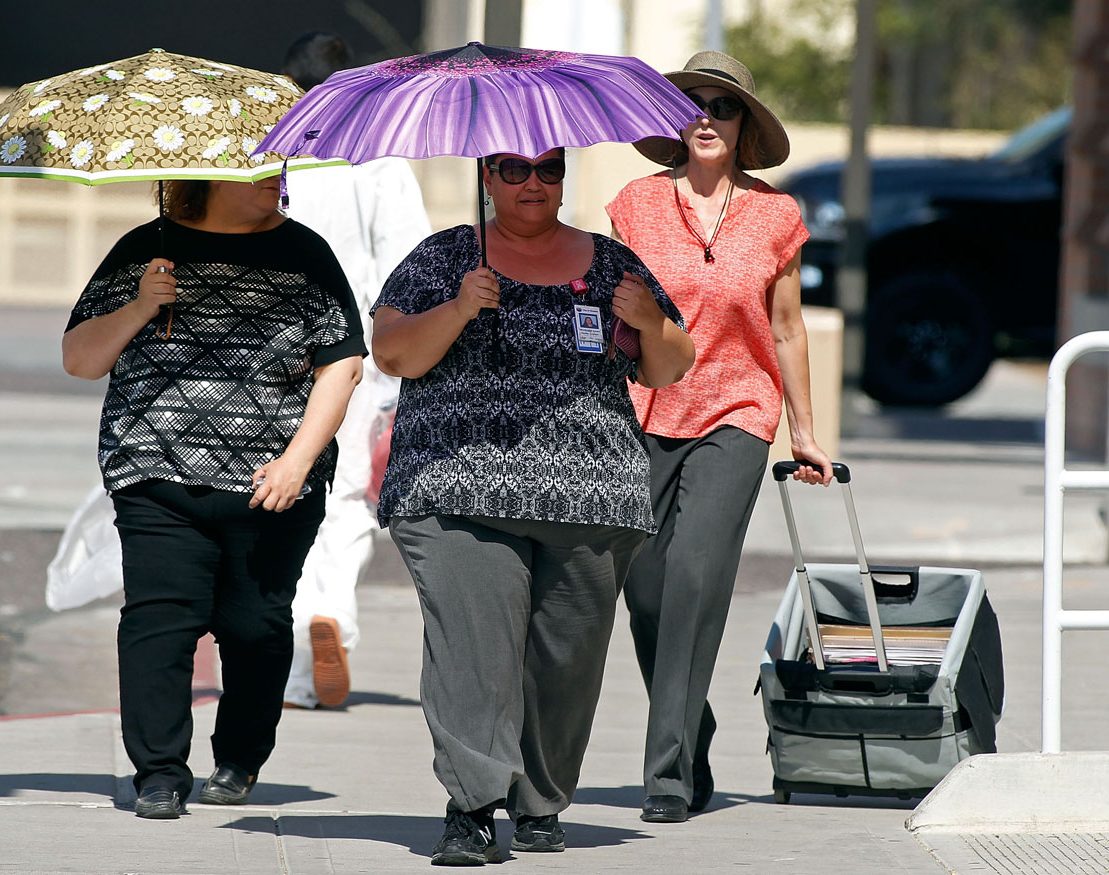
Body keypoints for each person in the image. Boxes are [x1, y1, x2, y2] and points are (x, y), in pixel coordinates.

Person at [371, 148, 694, 865]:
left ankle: (541, 798)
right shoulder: (444, 258)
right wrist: (460, 305)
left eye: (549, 169)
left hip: (590, 494)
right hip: (458, 487)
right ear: (487, 175)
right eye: (513, 169)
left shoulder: (611, 263)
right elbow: (393, 353)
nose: (533, 183)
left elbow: (669, 369)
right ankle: (473, 805)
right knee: (474, 649)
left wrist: (650, 320)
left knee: (565, 659)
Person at [61, 176, 365, 819]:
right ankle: (160, 772)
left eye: (281, 165)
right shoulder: (144, 249)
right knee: (159, 619)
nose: (277, 179)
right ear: (209, 177)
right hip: (154, 469)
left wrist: (298, 460)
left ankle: (239, 758)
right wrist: (140, 305)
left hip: (271, 483)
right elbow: (81, 359)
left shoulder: (305, 253)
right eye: (260, 167)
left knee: (253, 625)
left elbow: (341, 365)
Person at [606, 50, 833, 825]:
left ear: (744, 129)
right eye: (692, 102)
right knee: (642, 590)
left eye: (723, 106)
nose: (706, 115)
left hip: (738, 411)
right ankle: (690, 721)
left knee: (696, 574)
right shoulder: (634, 204)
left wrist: (804, 431)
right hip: (643, 409)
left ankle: (665, 770)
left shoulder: (776, 216)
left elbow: (788, 327)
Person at [278, 31, 433, 709]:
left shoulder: (273, 159)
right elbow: (410, 268)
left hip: (271, 354)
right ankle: (331, 617)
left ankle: (287, 665)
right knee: (343, 499)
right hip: (355, 357)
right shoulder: (379, 162)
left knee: (276, 493)